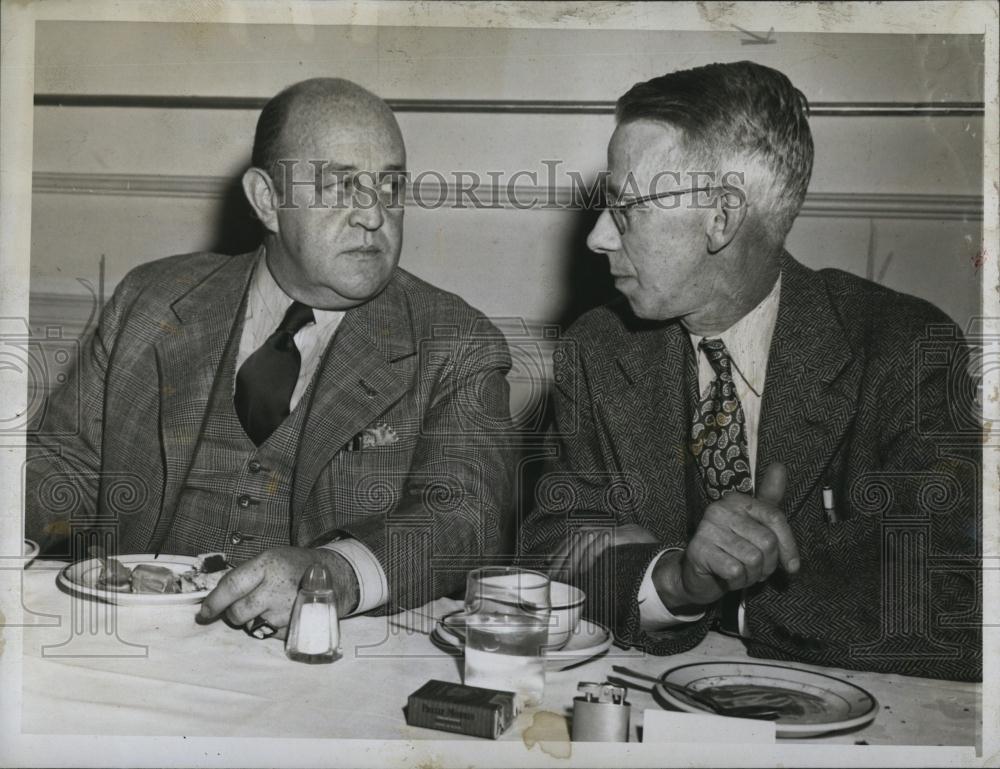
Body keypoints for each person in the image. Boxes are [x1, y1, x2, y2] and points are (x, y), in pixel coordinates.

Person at [520, 61, 980, 681]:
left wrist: (730, 596)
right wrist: (678, 581)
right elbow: (551, 555)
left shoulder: (905, 349)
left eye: (627, 207)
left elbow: (954, 600)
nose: (599, 236)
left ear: (723, 216)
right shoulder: (598, 350)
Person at [25, 78, 514, 638]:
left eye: (390, 186)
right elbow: (66, 466)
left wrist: (338, 573)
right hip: (142, 639)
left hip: (324, 655)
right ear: (266, 200)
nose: (374, 216)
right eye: (341, 185)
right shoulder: (151, 301)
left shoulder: (456, 342)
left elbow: (463, 520)